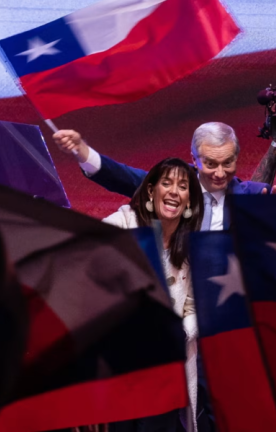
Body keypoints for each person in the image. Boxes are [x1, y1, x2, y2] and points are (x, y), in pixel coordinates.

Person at [102, 157, 206, 432]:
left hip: (166, 371)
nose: (174, 191)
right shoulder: (122, 223)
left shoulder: (193, 246)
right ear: (151, 191)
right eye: (166, 183)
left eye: (183, 186)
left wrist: (178, 332)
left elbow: (196, 308)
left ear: (189, 200)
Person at [53, 122, 271, 231]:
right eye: (211, 164)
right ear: (194, 160)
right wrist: (81, 150)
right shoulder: (170, 185)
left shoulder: (256, 196)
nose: (221, 173)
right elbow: (124, 177)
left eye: (228, 163)